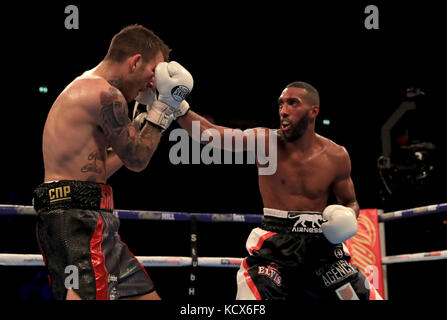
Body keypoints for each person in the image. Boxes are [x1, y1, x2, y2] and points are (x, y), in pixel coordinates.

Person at [170, 79, 382, 300]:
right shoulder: (265, 142)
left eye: (293, 103)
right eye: (281, 104)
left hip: (323, 250)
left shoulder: (337, 155)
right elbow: (210, 134)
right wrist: (177, 105)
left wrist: (349, 215)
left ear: (313, 111)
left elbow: (350, 201)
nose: (284, 110)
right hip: (275, 248)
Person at [32, 25, 193, 300]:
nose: (154, 83)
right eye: (154, 72)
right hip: (76, 220)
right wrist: (162, 111)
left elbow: (100, 167)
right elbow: (138, 160)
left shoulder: (90, 87)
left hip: (88, 214)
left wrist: (143, 126)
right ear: (135, 61)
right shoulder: (105, 94)